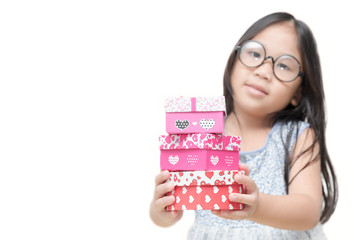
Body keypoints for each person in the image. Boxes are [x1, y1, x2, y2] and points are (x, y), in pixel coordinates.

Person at [149, 12, 338, 239]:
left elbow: (307, 211)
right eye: (255, 53)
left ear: (298, 93)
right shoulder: (201, 133)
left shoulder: (297, 136)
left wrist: (257, 207)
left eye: (284, 66)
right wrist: (162, 211)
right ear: (233, 62)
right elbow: (170, 203)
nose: (264, 71)